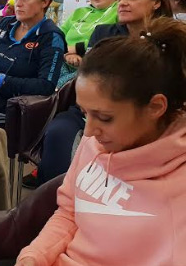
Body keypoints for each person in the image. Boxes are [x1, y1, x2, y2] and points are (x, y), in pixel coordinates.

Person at [15, 16, 186, 266]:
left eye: (105, 118)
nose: (88, 133)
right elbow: (69, 213)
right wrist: (33, 256)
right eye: (85, 114)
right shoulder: (97, 143)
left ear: (156, 107)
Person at [29, 0, 173, 188]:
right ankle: (53, 200)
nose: (123, 3)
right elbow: (91, 77)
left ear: (156, 2)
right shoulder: (103, 33)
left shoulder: (170, 40)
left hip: (142, 116)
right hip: (91, 111)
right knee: (58, 131)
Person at [58, 0, 119, 80]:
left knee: (60, 85)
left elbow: (115, 40)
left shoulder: (119, 11)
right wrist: (67, 54)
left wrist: (77, 49)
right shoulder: (79, 12)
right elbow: (58, 36)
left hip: (96, 65)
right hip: (64, 58)